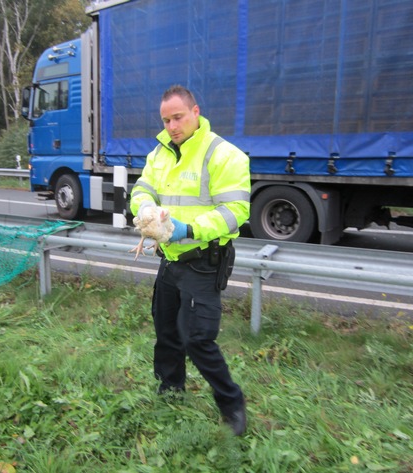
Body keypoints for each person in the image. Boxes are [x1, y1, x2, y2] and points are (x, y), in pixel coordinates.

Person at [130, 85, 251, 435]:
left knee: (197, 339)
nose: (171, 125)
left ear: (196, 112)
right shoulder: (160, 153)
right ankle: (170, 392)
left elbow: (236, 212)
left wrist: (189, 229)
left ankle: (232, 404)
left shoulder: (225, 155)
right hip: (170, 261)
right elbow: (142, 188)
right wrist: (145, 211)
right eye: (166, 119)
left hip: (203, 262)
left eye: (178, 117)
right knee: (166, 331)